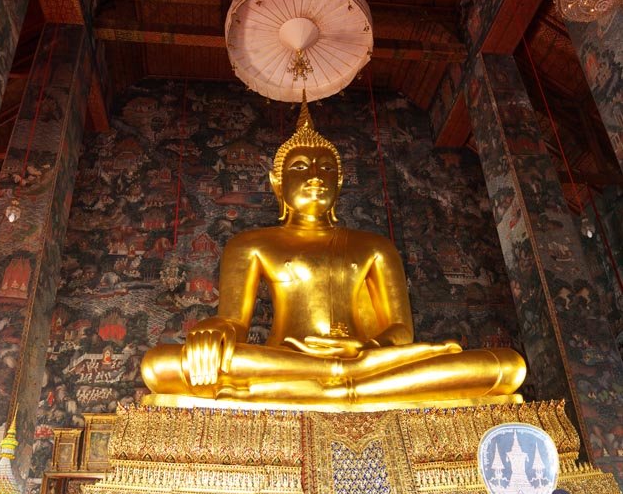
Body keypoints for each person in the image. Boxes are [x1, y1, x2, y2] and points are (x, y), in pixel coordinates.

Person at [141, 100, 526, 407]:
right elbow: (233, 323)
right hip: (287, 360)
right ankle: (341, 389)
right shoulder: (250, 244)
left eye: (327, 169)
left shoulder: (374, 246)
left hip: (367, 362)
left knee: (506, 367)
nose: (315, 176)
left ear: (339, 182)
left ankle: (331, 388)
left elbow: (400, 330)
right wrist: (213, 333)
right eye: (301, 167)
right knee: (160, 366)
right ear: (278, 182)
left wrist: (366, 349)